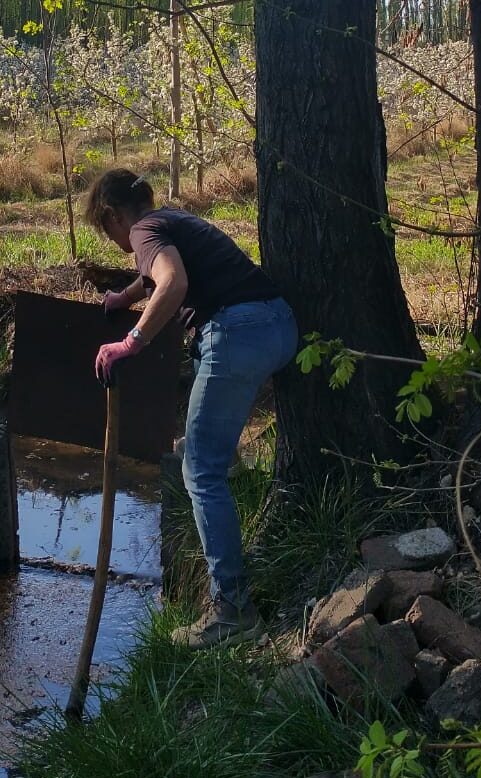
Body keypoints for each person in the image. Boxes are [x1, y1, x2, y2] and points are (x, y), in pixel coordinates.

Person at [85, 168, 298, 650]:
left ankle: (234, 610)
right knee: (205, 446)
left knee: (199, 469)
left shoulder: (142, 231)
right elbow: (159, 272)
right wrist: (125, 296)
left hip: (237, 334)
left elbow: (173, 281)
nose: (115, 238)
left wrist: (131, 341)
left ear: (113, 215)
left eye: (107, 229)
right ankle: (232, 478)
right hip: (278, 326)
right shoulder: (170, 220)